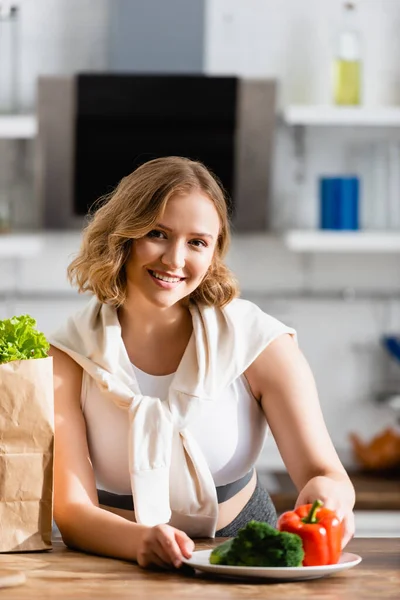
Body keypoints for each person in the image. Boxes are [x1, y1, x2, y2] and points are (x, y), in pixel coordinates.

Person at [49, 156, 355, 570]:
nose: (175, 260)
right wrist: (140, 542)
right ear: (123, 237)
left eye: (197, 242)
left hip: (246, 548)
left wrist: (327, 503)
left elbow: (325, 473)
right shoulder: (68, 354)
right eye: (157, 234)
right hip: (114, 555)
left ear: (213, 253)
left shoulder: (259, 343)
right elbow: (72, 511)